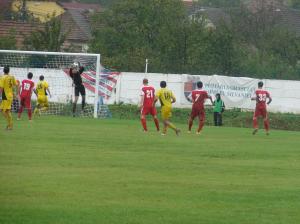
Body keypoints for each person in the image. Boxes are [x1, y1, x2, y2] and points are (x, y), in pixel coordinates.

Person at [0, 65, 18, 130]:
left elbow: (1, 88)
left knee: (6, 111)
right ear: (9, 71)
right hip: (10, 96)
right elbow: (17, 85)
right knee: (3, 111)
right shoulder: (12, 77)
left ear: (3, 71)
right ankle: (9, 125)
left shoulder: (2, 77)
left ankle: (10, 125)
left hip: (5, 96)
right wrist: (16, 93)